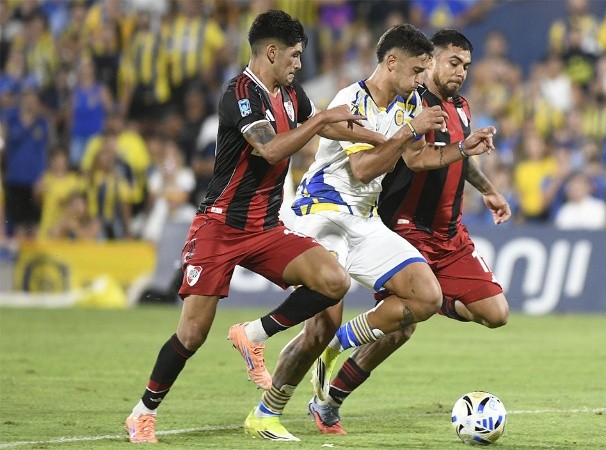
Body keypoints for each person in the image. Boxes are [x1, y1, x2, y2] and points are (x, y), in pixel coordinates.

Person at [233, 24, 497, 441]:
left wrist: (463, 149)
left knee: (426, 296)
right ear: (391, 62)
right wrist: (409, 131)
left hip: (363, 218)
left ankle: (337, 344)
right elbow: (362, 169)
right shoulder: (351, 100)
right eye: (416, 70)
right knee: (319, 327)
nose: (421, 80)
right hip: (321, 215)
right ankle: (266, 412)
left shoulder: (410, 101)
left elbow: (415, 159)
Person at [124, 10, 375, 443]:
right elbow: (271, 150)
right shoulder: (239, 94)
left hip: (265, 228)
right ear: (271, 52)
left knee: (334, 281)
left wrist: (393, 140)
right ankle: (143, 412)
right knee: (192, 333)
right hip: (219, 226)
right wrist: (320, 120)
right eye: (294, 56)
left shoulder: (292, 95)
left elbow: (332, 128)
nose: (299, 64)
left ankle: (254, 335)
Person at [306, 29, 511, 435]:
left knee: (496, 313)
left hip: (450, 234)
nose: (460, 72)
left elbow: (459, 155)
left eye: (466, 66)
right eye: (453, 62)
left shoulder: (461, 107)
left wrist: (488, 189)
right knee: (400, 331)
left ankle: (427, 303)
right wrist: (456, 147)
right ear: (430, 62)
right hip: (406, 229)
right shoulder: (411, 104)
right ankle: (330, 398)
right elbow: (418, 159)